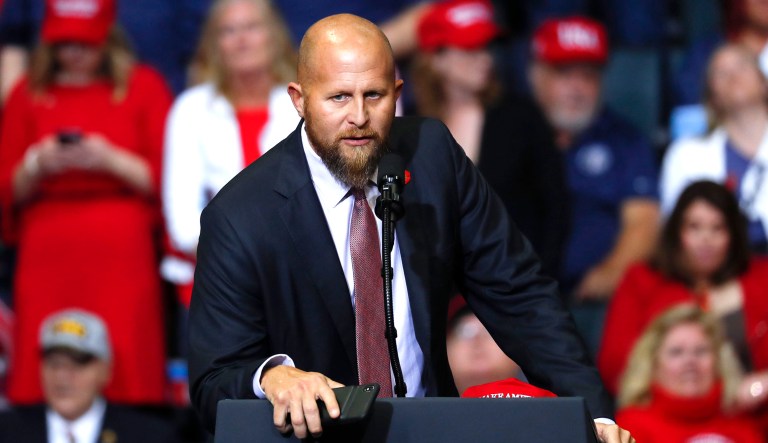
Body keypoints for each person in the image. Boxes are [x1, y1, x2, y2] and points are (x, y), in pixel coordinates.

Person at [188, 13, 633, 443]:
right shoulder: (241, 216)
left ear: (398, 92)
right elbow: (213, 380)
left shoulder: (433, 155)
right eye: (339, 97)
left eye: (375, 95)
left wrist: (591, 414)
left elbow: (519, 293)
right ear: (299, 99)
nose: (359, 116)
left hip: (430, 430)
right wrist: (271, 375)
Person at [0, 0, 171, 404]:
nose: (73, 54)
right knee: (45, 353)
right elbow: (6, 189)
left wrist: (107, 159)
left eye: (84, 44)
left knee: (126, 351)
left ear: (107, 41)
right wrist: (38, 163)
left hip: (121, 252)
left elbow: (169, 182)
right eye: (63, 44)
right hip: (47, 248)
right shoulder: (28, 93)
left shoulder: (143, 86)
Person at [528, 16, 660, 353]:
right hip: (519, 298)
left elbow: (643, 223)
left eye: (587, 76)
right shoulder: (513, 132)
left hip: (599, 300)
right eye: (563, 74)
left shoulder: (626, 140)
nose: (576, 87)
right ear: (536, 76)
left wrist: (610, 272)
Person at [411, 0, 567, 277]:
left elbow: (556, 210)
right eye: (471, 48)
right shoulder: (409, 125)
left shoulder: (521, 118)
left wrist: (532, 292)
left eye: (487, 47)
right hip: (432, 295)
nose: (485, 58)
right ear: (436, 58)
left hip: (514, 287)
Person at [161, 0, 299, 306]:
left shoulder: (303, 104)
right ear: (213, 44)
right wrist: (246, 261)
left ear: (274, 35)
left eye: (252, 27)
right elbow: (182, 220)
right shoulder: (190, 109)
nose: (241, 40)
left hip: (296, 281)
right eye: (228, 30)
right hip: (213, 283)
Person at [599, 181, 768, 419]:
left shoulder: (762, 278)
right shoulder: (642, 281)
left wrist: (759, 387)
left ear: (734, 235)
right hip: (665, 419)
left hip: (754, 420)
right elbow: (616, 367)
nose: (705, 239)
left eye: (718, 228)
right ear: (676, 231)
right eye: (694, 227)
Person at [0, 309, 179, 442]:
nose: (62, 377)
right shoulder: (6, 431)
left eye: (78, 363)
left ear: (105, 370)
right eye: (54, 364)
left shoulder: (148, 436)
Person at [662, 43, 768, 254]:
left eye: (742, 66)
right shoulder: (685, 154)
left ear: (764, 82)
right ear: (712, 96)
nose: (733, 75)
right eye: (721, 72)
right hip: (710, 280)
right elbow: (675, 235)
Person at [615, 305, 764, 442]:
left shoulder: (743, 421)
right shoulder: (630, 427)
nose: (690, 361)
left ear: (719, 361)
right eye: (676, 352)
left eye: (700, 351)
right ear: (652, 364)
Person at [446, 296, 522, 395]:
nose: (477, 341)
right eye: (465, 331)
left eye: (489, 331)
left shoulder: (543, 406)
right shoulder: (426, 408)